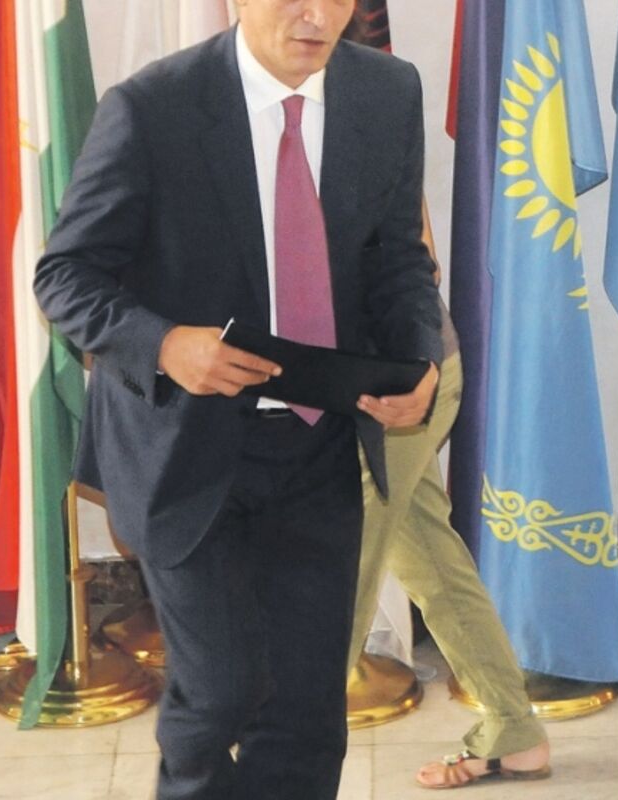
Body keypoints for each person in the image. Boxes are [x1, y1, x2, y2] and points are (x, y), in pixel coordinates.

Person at [33, 1, 443, 798]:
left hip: (319, 438)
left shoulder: (387, 92)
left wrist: (417, 359)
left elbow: (397, 256)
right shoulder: (153, 107)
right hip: (185, 447)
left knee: (306, 708)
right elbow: (66, 274)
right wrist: (163, 344)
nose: (316, 15)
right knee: (220, 690)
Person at [349, 206, 551, 790]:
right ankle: (515, 732)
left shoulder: (364, 140)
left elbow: (418, 260)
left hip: (393, 385)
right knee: (427, 556)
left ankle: (279, 767)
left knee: (337, 574)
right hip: (370, 379)